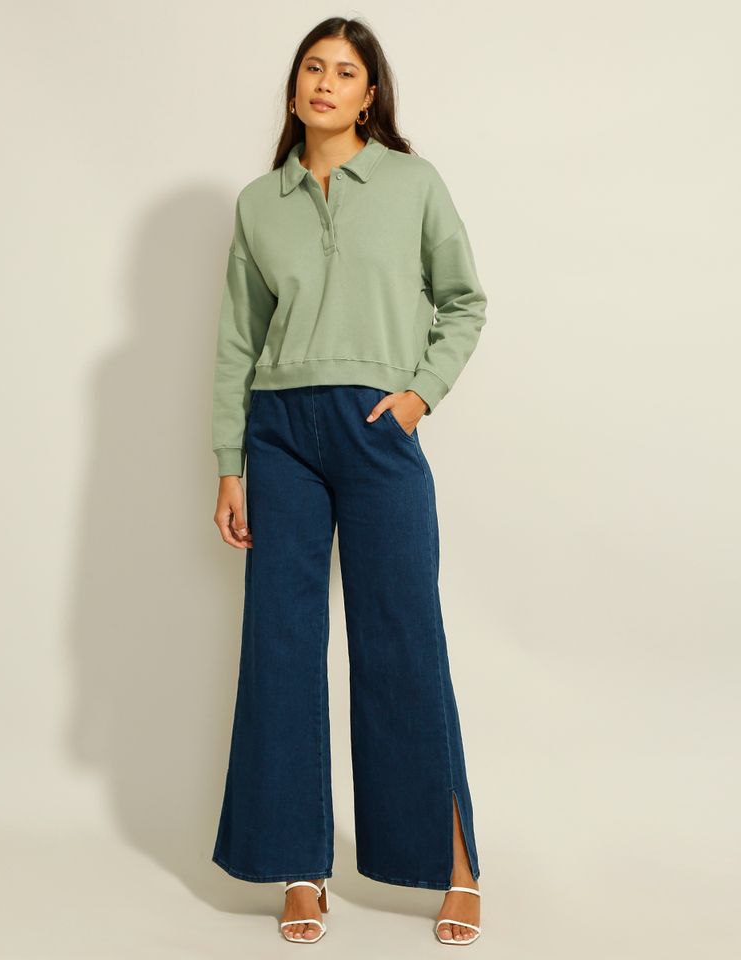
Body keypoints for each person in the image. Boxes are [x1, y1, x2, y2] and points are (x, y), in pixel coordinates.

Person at [210, 16, 488, 946]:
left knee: (403, 639)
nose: (325, 82)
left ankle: (454, 864)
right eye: (312, 68)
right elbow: (238, 340)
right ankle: (300, 867)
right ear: (295, 88)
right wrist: (229, 463)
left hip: (377, 430)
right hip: (280, 434)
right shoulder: (261, 203)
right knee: (281, 648)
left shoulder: (412, 183)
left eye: (345, 72)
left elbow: (464, 301)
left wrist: (419, 396)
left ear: (370, 96)